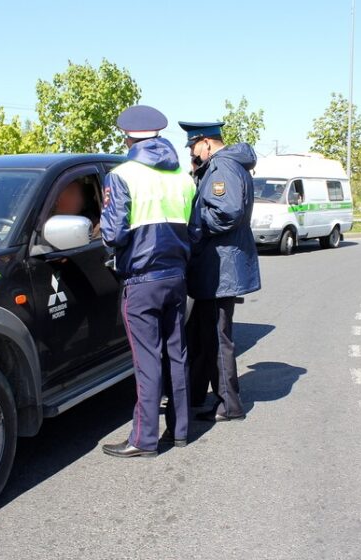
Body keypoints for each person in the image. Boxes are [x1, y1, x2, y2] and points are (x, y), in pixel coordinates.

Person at [100, 105, 198, 458]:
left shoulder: (122, 175)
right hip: (176, 277)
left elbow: (112, 233)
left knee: (147, 360)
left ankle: (143, 440)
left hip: (141, 280)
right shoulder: (184, 178)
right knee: (177, 353)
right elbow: (196, 229)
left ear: (128, 137)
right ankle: (181, 430)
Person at [178, 120, 261, 422]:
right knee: (202, 334)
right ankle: (196, 395)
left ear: (206, 143)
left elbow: (227, 213)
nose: (192, 152)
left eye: (193, 146)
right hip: (217, 266)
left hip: (220, 268)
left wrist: (193, 229)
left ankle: (229, 405)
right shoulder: (225, 165)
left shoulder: (222, 167)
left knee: (216, 337)